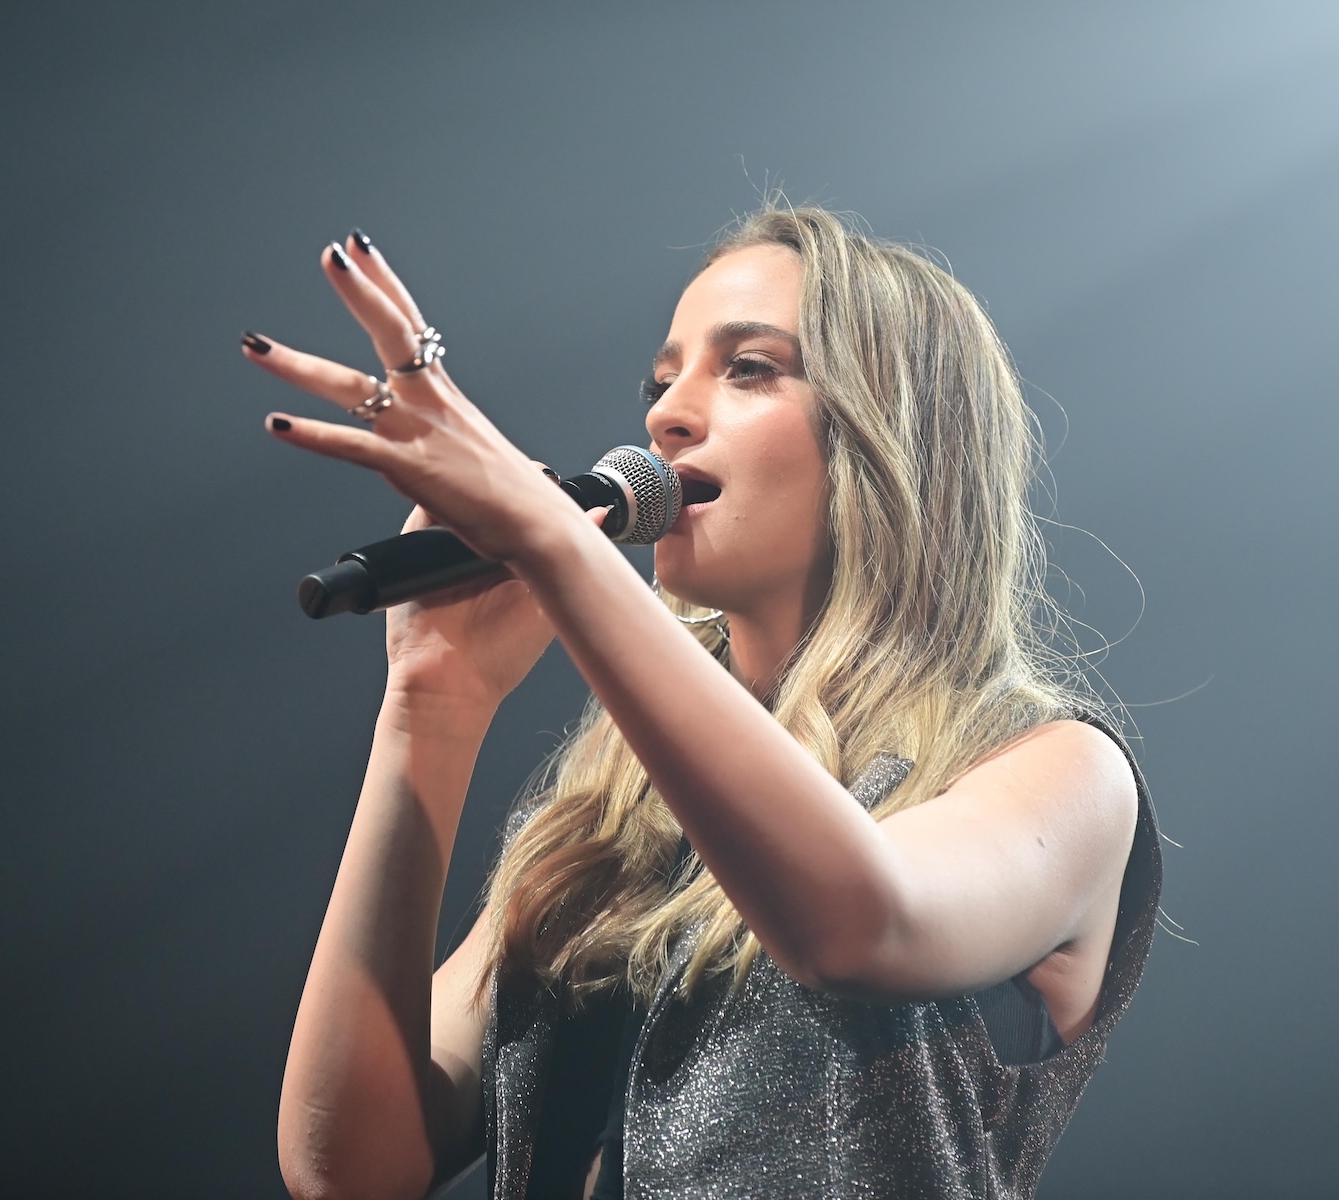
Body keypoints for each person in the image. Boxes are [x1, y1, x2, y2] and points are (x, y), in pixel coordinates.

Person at [242, 206, 1161, 1200]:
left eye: (751, 367)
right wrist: (432, 704)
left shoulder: (1060, 773)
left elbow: (859, 924)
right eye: (662, 379)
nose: (666, 414)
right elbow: (349, 1168)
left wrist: (557, 545)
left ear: (895, 430)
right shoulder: (605, 820)